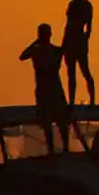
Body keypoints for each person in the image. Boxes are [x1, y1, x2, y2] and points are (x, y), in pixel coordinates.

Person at [20, 23, 70, 152]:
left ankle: (60, 148)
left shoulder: (48, 50)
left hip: (51, 90)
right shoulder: (44, 50)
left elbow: (23, 55)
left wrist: (35, 42)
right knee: (52, 122)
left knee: (59, 121)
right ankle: (57, 149)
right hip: (48, 90)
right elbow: (22, 56)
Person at [62, 0, 96, 105]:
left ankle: (92, 100)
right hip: (72, 39)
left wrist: (84, 39)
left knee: (84, 70)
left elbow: (88, 27)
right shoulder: (73, 4)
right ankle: (71, 101)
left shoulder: (86, 5)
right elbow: (69, 25)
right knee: (71, 73)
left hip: (78, 40)